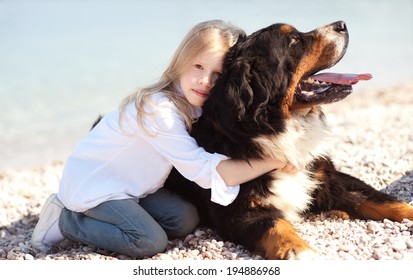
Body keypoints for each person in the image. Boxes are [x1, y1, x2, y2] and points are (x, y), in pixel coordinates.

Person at [31, 20, 297, 258]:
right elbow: (204, 170)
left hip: (132, 186)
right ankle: (67, 219)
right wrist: (272, 160)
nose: (205, 80)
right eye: (198, 66)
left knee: (184, 220)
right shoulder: (159, 111)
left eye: (217, 75)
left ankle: (117, 217)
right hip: (95, 188)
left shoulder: (193, 105)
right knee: (148, 241)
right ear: (180, 62)